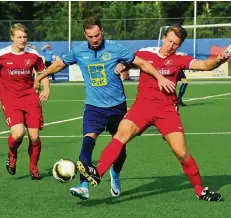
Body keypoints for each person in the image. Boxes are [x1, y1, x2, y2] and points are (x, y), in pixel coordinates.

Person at [76, 24, 230, 202]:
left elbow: (205, 65)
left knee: (181, 152)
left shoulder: (180, 59)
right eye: (170, 41)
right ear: (164, 37)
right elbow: (129, 61)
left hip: (166, 111)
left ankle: (200, 190)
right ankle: (98, 173)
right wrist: (122, 66)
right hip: (142, 107)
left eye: (176, 43)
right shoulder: (145, 52)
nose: (171, 45)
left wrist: (219, 59)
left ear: (179, 45)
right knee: (120, 136)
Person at [33, 17, 175, 200]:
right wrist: (39, 77)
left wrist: (158, 77)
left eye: (97, 35)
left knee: (121, 152)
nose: (94, 39)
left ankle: (114, 174)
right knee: (86, 149)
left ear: (102, 32)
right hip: (94, 108)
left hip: (117, 108)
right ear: (85, 35)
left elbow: (141, 63)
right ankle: (84, 186)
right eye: (90, 36)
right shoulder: (78, 51)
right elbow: (59, 65)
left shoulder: (116, 48)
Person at [0, 23, 50, 180]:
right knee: (18, 133)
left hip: (30, 98)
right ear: (12, 37)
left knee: (34, 137)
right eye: (19, 37)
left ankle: (33, 167)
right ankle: (12, 154)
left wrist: (46, 88)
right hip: (10, 99)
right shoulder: (2, 55)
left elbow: (42, 72)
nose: (22, 40)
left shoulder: (33, 54)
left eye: (25, 37)